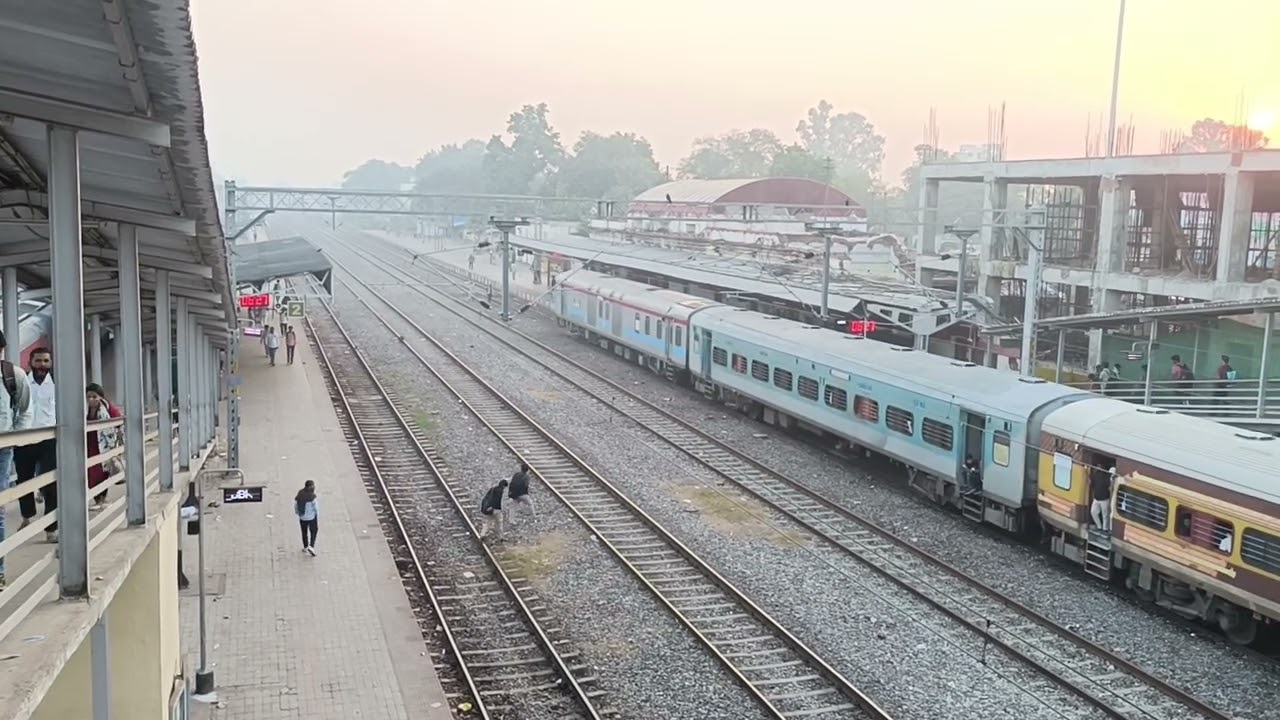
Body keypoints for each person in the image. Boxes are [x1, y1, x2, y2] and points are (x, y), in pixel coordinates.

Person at [0, 330, 34, 589]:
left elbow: (24, 410)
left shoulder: (13, 375)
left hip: (2, 450)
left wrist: (14, 440)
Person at [17, 348, 57, 542]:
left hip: (48, 439)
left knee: (51, 482)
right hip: (23, 438)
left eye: (46, 361)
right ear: (30, 362)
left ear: (50, 363)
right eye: (38, 361)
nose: (42, 364)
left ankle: (51, 529)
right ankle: (27, 516)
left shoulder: (57, 383)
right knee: (23, 481)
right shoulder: (20, 382)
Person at [85, 383, 123, 510]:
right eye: (88, 397)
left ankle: (102, 498)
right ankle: (97, 499)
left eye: (94, 397)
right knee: (91, 474)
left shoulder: (107, 408)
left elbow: (119, 421)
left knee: (102, 473)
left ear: (100, 397)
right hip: (89, 445)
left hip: (103, 446)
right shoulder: (83, 409)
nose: (91, 400)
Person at [294, 480, 318, 556]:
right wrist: (316, 514)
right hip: (311, 517)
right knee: (314, 531)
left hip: (302, 517)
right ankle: (311, 546)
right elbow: (316, 507)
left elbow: (295, 504)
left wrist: (298, 513)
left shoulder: (300, 493)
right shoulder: (312, 496)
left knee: (304, 532)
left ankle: (305, 546)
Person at [1090, 466, 1114, 533]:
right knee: (1093, 512)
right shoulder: (1098, 476)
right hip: (1098, 498)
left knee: (1105, 515)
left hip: (1104, 499)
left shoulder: (1107, 477)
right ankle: (1100, 527)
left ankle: (1104, 529)